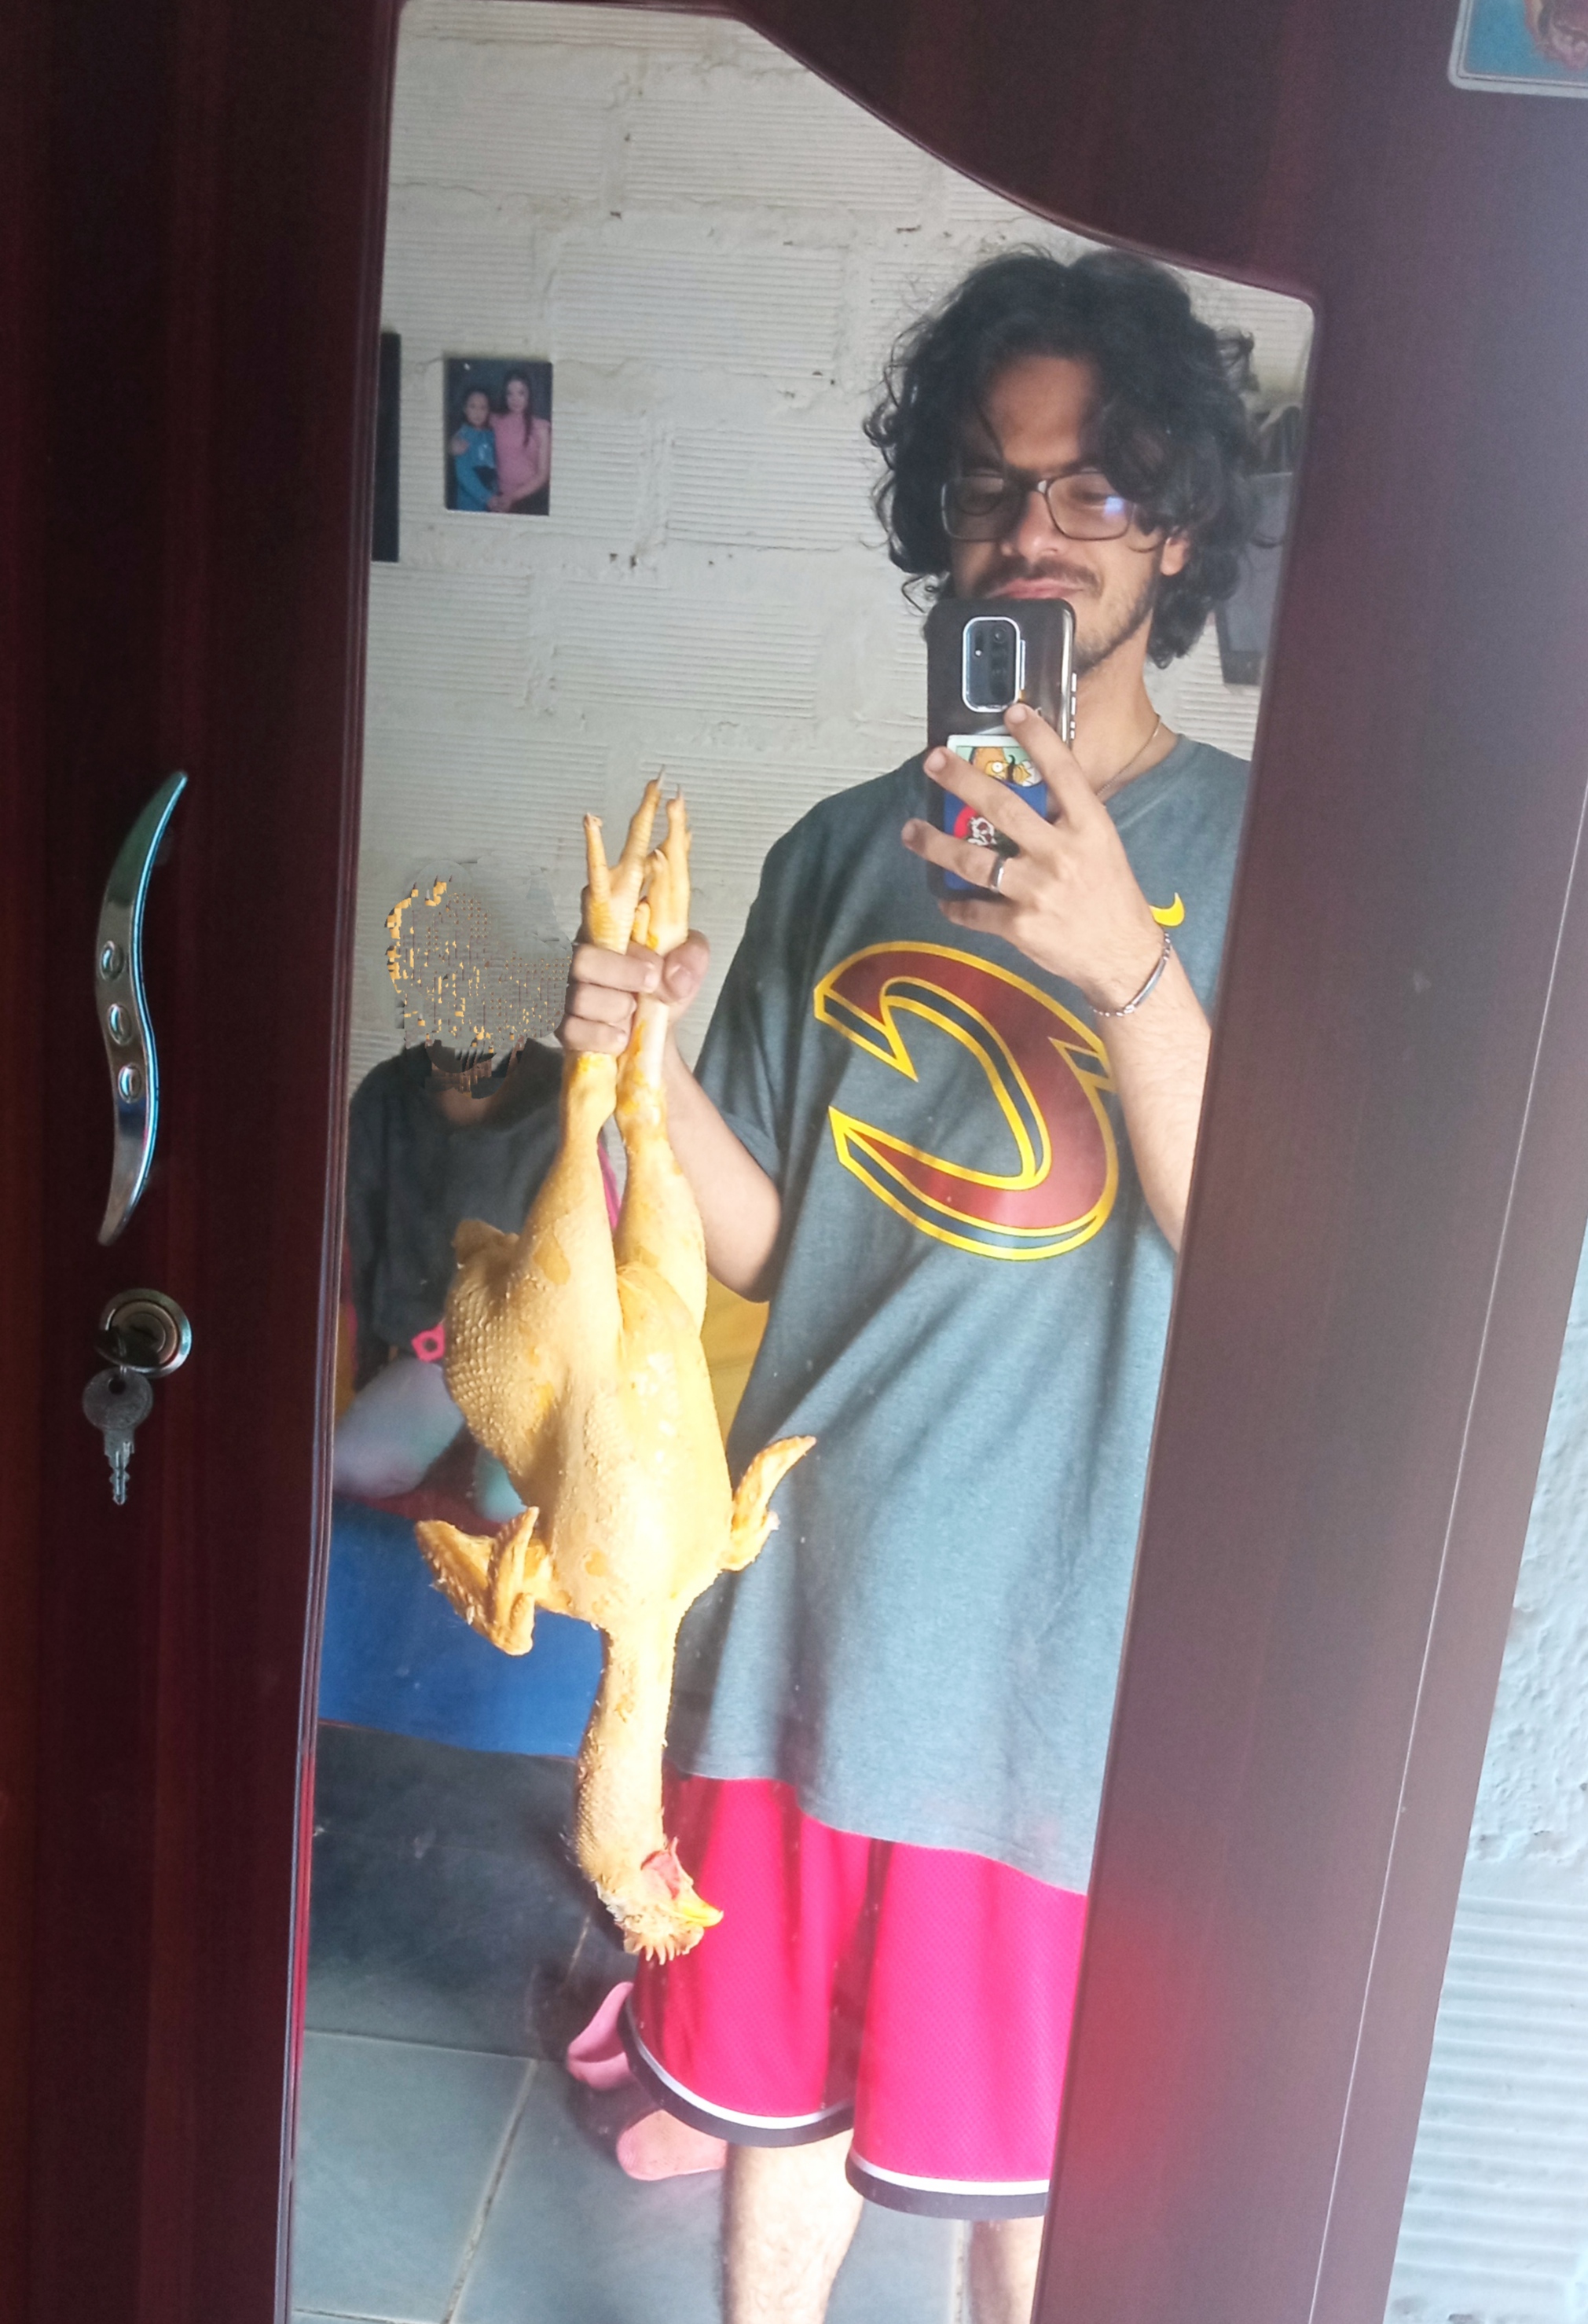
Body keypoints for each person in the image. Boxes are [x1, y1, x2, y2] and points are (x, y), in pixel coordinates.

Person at [557, 248, 1258, 2324]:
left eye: (1089, 490)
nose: (1028, 535)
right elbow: (776, 1241)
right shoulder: (838, 852)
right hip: (795, 1614)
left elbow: (1259, 1262)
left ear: (1175, 529)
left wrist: (1124, 962)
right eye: (985, 487)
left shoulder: (1265, 858)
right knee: (764, 2124)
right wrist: (644, 1069)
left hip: (1049, 1668)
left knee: (1019, 2176)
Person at [488, 367, 551, 515]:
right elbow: (470, 426)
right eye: (510, 394)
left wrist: (513, 497)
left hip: (530, 498)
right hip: (498, 496)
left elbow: (543, 475)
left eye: (521, 393)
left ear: (529, 395)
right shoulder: (495, 421)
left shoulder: (541, 428)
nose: (515, 399)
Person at [449, 384, 499, 515]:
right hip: (469, 504)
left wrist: (495, 495)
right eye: (473, 406)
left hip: (492, 501)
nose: (478, 412)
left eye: (483, 408)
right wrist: (486, 497)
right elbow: (464, 474)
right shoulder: (463, 437)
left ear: (488, 411)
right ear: (465, 409)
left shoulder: (490, 435)